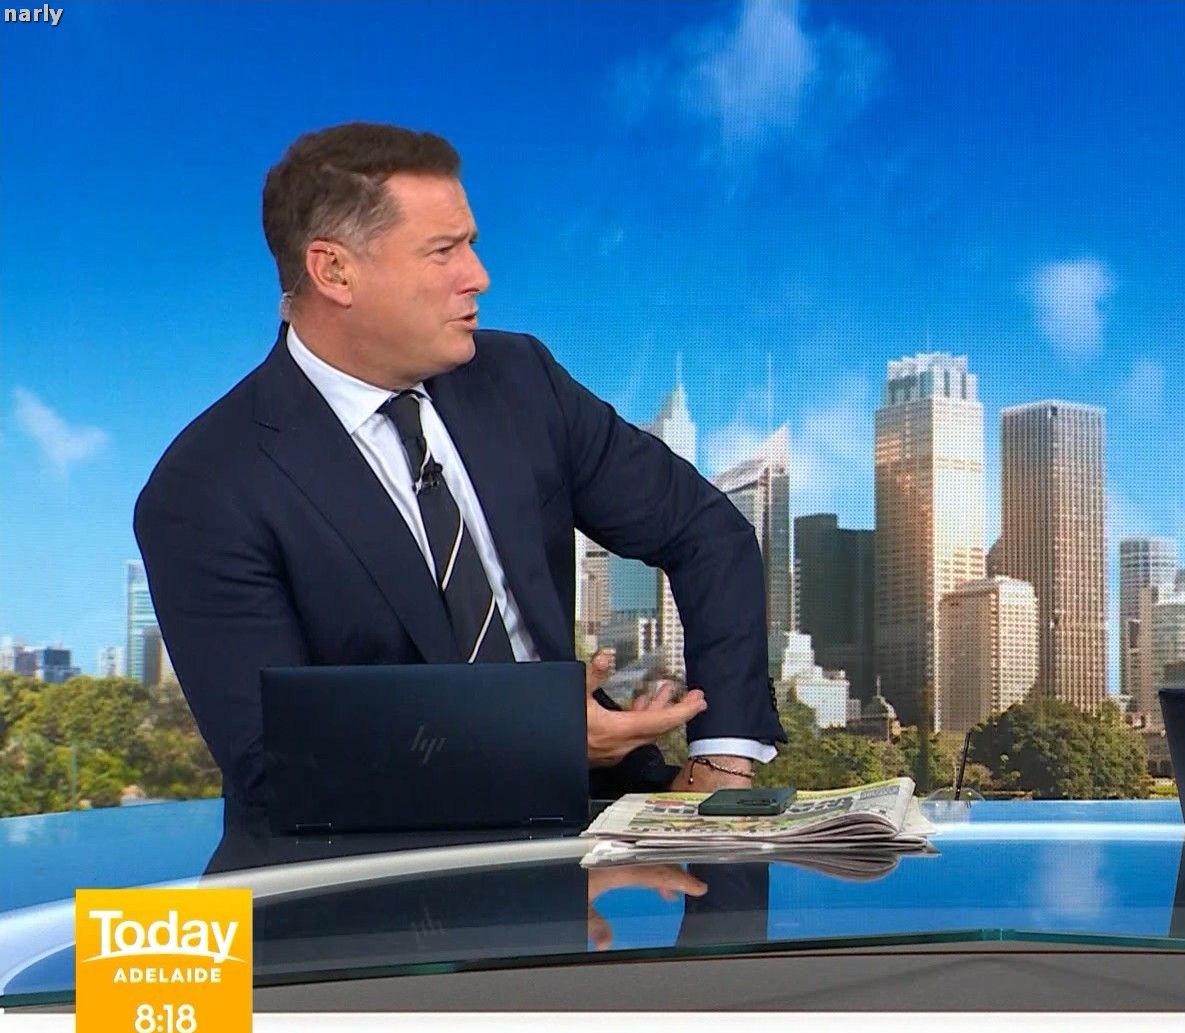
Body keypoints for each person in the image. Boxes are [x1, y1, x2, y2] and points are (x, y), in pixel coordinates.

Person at [134, 122, 784, 813]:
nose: (479, 277)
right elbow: (279, 762)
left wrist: (722, 762)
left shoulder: (521, 379)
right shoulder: (205, 489)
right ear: (334, 271)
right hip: (373, 857)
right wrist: (537, 735)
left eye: (470, 244)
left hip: (594, 815)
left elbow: (706, 531)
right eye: (443, 251)